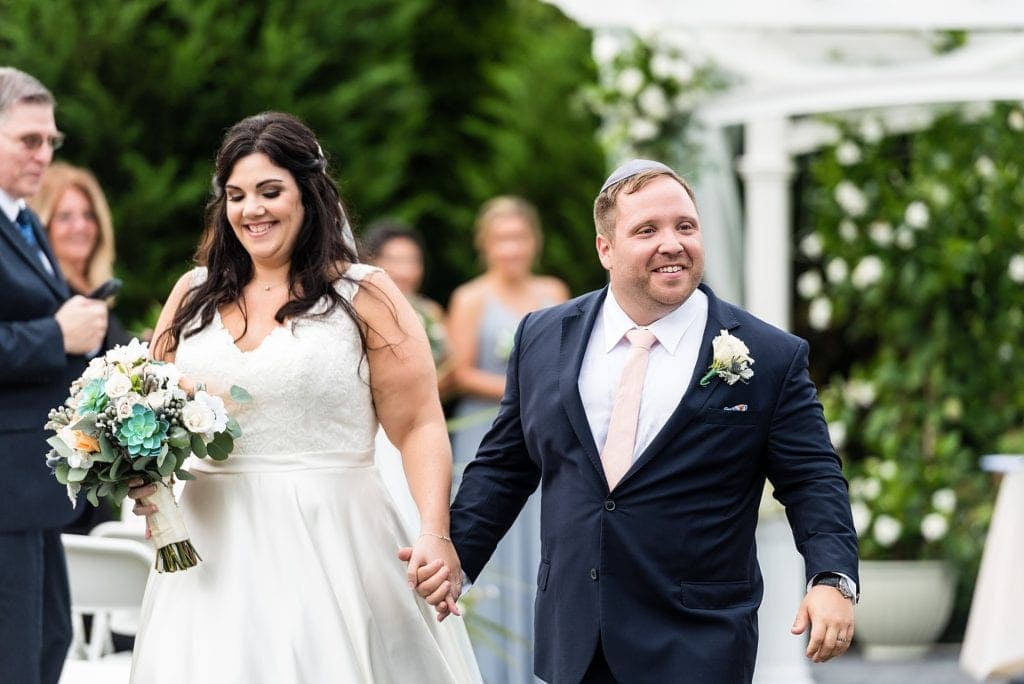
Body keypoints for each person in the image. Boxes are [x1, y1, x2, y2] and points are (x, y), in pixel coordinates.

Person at [409, 160, 859, 683]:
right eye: (647, 230)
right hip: (576, 632)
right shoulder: (542, 337)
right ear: (606, 249)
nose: (672, 243)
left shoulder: (769, 355)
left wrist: (831, 577)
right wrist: (455, 561)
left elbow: (812, 479)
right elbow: (506, 467)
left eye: (684, 226)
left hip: (698, 635)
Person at [125, 111, 479, 683]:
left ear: (308, 196)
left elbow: (417, 425)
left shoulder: (364, 293)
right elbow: (148, 410)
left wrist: (434, 532)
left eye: (270, 191)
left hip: (335, 536)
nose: (252, 210)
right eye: (236, 195)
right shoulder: (190, 295)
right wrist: (148, 481)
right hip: (210, 545)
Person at [0, 66, 109, 684]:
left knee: (49, 643)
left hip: (32, 485)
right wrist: (55, 336)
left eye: (52, 142)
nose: (45, 154)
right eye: (29, 140)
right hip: (3, 490)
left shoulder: (23, 219)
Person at [445, 196, 569, 684]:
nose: (511, 248)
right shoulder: (471, 298)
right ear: (486, 245)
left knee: (543, 536)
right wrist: (520, 388)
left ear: (533, 242)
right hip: (488, 430)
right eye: (502, 239)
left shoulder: (553, 289)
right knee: (489, 534)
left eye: (519, 237)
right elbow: (457, 372)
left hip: (543, 431)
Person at [30, 162, 131, 533]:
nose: (80, 226)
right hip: (47, 488)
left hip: (92, 492)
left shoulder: (99, 299)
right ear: (44, 227)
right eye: (65, 216)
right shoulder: (42, 303)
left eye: (88, 215)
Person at [362, 220, 452, 533]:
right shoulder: (363, 311)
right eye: (395, 260)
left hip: (423, 420)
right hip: (379, 427)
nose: (405, 270)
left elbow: (448, 367)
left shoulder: (430, 311)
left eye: (412, 260)